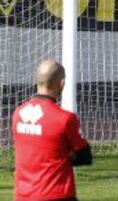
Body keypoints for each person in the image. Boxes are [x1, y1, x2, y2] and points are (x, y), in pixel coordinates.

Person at [12, 60, 92, 201]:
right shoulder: (65, 118)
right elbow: (85, 156)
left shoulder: (18, 113)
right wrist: (66, 154)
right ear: (62, 83)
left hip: (23, 196)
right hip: (57, 195)